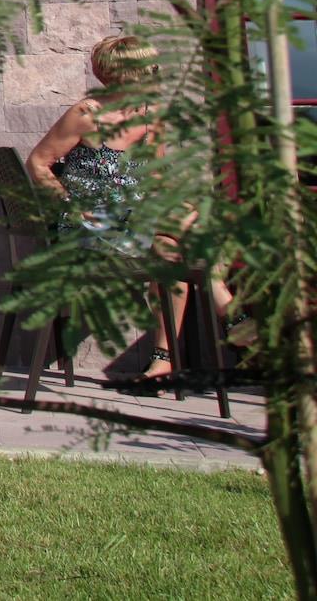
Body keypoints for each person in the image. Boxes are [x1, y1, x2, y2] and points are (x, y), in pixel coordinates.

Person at [27, 35, 234, 384]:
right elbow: (38, 163)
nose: (155, 73)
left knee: (172, 249)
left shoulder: (152, 115)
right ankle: (231, 310)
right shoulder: (85, 114)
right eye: (147, 68)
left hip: (138, 220)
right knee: (185, 227)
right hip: (90, 224)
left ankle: (163, 360)